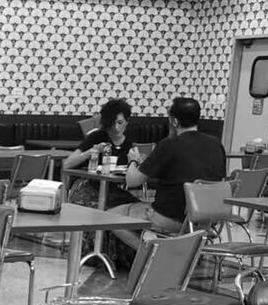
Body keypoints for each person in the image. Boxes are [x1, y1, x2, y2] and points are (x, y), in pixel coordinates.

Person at [108, 97, 226, 250]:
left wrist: (133, 161)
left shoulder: (169, 144)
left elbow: (132, 181)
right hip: (206, 220)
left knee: (111, 217)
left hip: (170, 217)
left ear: (174, 121)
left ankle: (149, 255)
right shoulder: (216, 144)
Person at [64, 98, 142, 267]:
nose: (116, 128)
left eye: (120, 123)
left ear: (127, 122)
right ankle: (98, 253)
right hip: (85, 186)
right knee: (104, 210)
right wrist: (91, 152)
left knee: (133, 207)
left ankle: (135, 256)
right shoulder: (97, 137)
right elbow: (67, 164)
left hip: (111, 188)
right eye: (112, 123)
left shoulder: (129, 143)